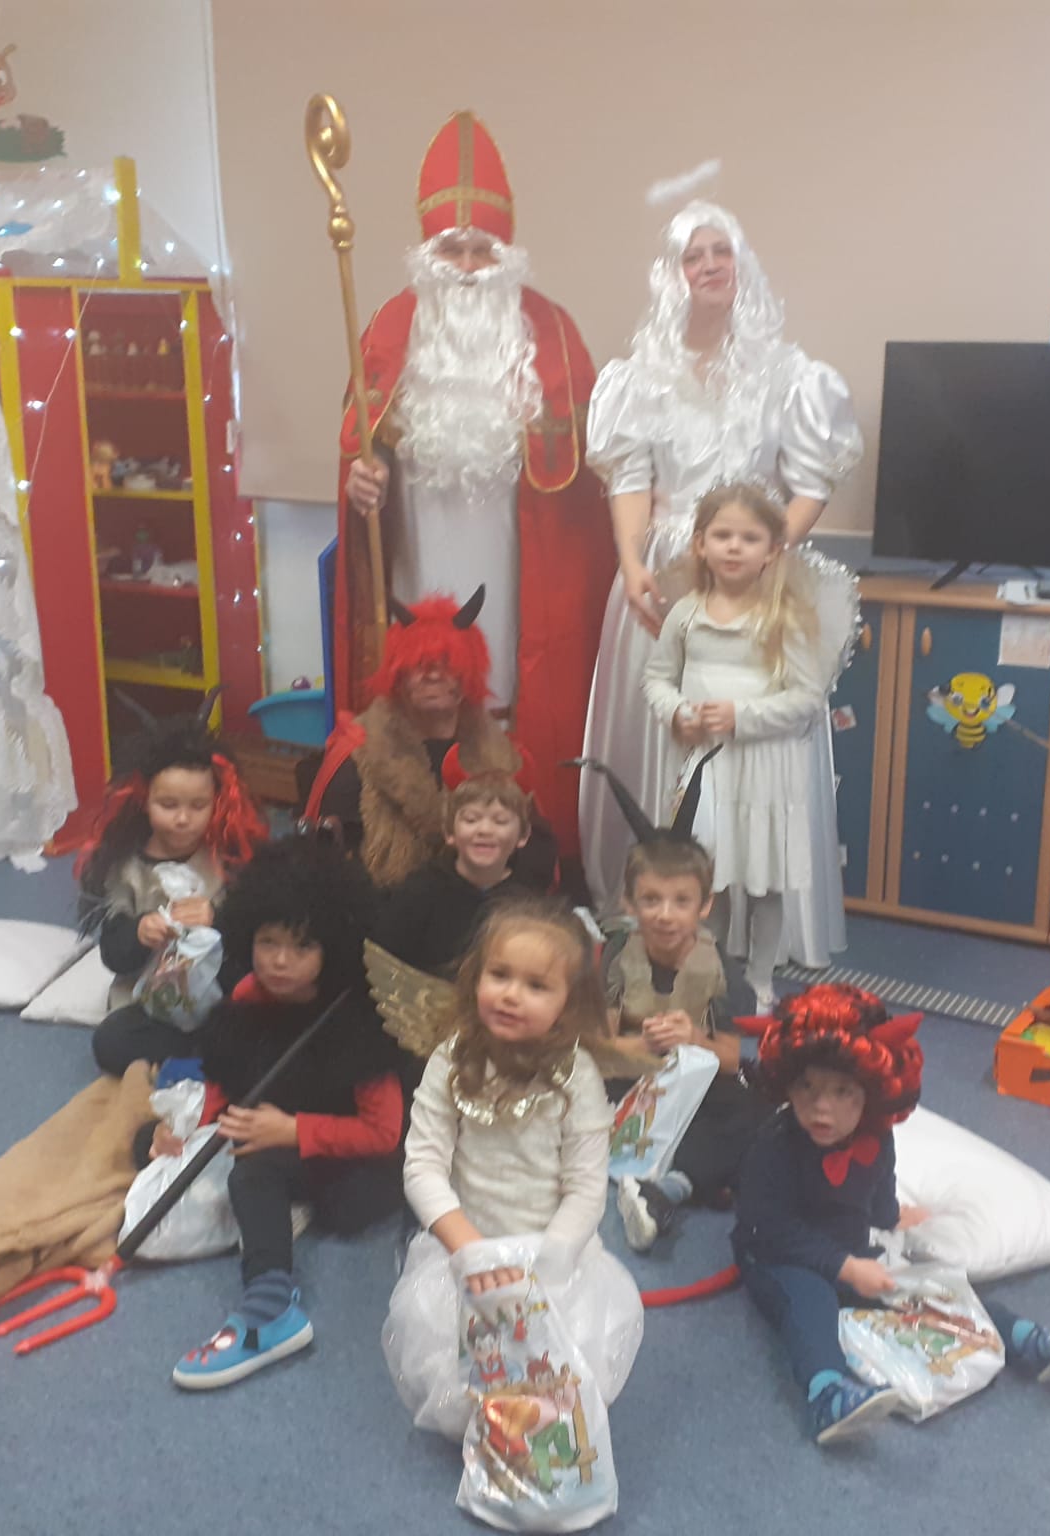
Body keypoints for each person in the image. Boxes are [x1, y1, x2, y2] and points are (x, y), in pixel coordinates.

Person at [335, 110, 614, 880]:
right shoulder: (389, 328)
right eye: (450, 250)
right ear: (427, 255)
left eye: (480, 249)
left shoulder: (552, 335)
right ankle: (412, 848)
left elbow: (588, 479)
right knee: (422, 690)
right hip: (418, 554)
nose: (465, 265)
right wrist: (362, 481)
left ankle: (511, 852)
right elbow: (360, 449)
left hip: (516, 560)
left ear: (506, 253)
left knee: (506, 695)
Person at [581, 195, 862, 948]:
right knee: (669, 724)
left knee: (753, 737)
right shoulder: (639, 377)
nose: (710, 266)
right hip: (665, 574)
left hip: (755, 578)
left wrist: (761, 554)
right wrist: (631, 562)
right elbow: (629, 478)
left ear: (742, 264)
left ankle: (747, 920)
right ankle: (660, 908)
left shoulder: (789, 374)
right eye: (693, 256)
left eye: (722, 252)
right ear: (671, 274)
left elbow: (810, 483)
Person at [735, 985, 1050, 1445]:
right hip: (775, 1254)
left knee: (926, 1283)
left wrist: (890, 1218)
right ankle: (825, 1391)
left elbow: (879, 1185)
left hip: (848, 1245)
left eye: (842, 1092)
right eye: (808, 1087)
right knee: (812, 1300)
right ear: (786, 1084)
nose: (822, 1106)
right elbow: (768, 1227)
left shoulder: (876, 1137)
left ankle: (1021, 1335)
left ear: (870, 1094)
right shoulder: (775, 1145)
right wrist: (844, 1267)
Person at [383, 898, 644, 1441]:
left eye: (536, 985)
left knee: (552, 1389)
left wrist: (544, 1270)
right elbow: (423, 1166)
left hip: (549, 1260)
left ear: (568, 1004)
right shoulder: (450, 1060)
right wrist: (469, 1249)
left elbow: (586, 1188)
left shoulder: (578, 1076)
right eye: (499, 975)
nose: (510, 994)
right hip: (467, 1250)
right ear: (475, 977)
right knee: (466, 1388)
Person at [154, 838, 408, 1391]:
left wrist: (293, 1131)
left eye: (301, 946)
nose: (280, 960)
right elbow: (228, 1075)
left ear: (332, 947)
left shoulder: (357, 1023)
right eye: (267, 942)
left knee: (264, 1176)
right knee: (151, 1149)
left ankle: (270, 1308)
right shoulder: (249, 995)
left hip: (348, 1151)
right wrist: (187, 1129)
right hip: (276, 1119)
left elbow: (386, 1133)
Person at [641, 484, 837, 1013]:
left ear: (771, 550)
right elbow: (657, 678)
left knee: (764, 880)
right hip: (708, 766)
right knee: (713, 874)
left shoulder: (784, 617)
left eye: (749, 538)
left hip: (765, 767)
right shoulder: (686, 613)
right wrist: (677, 711)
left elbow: (806, 698)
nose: (734, 547)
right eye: (722, 535)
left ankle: (760, 978)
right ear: (700, 543)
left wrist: (741, 716)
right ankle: (712, 970)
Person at [574, 753, 769, 1251]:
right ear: (629, 903)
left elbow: (730, 1059)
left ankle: (667, 1187)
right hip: (626, 1083)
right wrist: (641, 1045)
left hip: (694, 1085)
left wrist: (694, 1038)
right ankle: (677, 1173)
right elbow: (597, 1046)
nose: (665, 915)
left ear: (704, 905)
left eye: (681, 901)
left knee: (757, 1111)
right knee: (566, 1087)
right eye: (651, 900)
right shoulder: (616, 955)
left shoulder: (721, 969)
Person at [302, 589, 558, 891]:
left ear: (468, 676)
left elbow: (537, 851)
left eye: (448, 663)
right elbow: (326, 868)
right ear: (398, 677)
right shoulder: (358, 755)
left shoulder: (501, 756)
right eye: (419, 664)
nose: (433, 675)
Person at [72, 703, 265, 1076]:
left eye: (198, 806)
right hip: (152, 1003)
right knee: (111, 1042)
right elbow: (113, 955)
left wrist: (216, 919)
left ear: (218, 803)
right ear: (144, 801)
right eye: (168, 804)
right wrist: (139, 931)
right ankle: (201, 1053)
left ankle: (208, 1050)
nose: (182, 818)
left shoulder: (225, 860)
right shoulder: (126, 869)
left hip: (216, 996)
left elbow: (254, 935)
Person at [374, 770, 534, 978]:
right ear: (450, 832)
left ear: (523, 835)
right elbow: (385, 964)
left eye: (500, 821)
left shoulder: (530, 906)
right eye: (471, 819)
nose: (485, 830)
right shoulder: (419, 892)